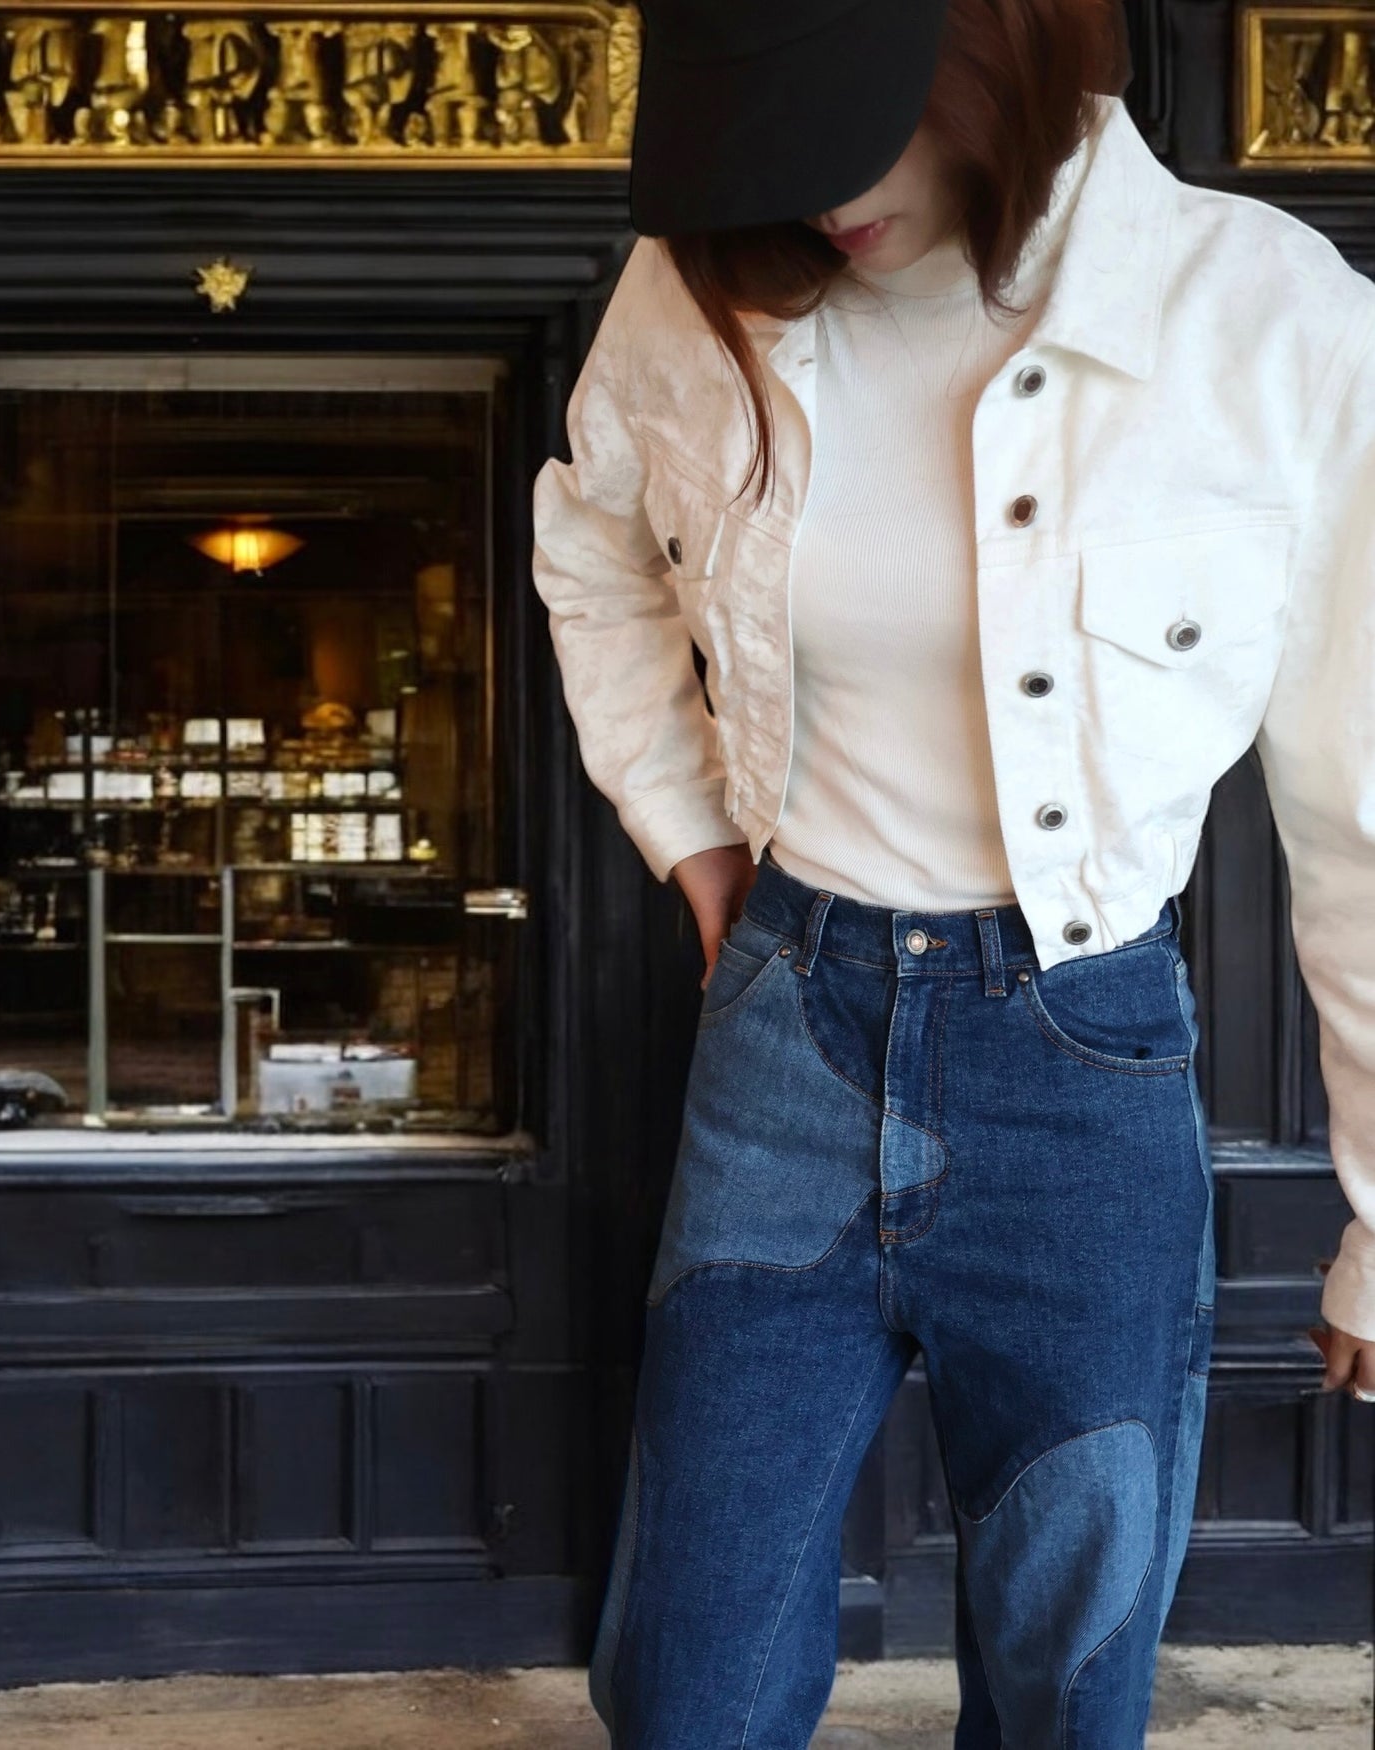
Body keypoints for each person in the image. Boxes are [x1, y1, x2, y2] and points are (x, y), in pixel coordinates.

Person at [530, 0, 1375, 1741]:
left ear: (991, 49)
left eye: (846, 122)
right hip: (787, 1031)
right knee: (688, 1679)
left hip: (1085, 1060)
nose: (814, 197)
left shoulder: (1275, 324)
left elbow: (1363, 799)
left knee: (1070, 1683)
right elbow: (594, 544)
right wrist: (691, 840)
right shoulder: (699, 289)